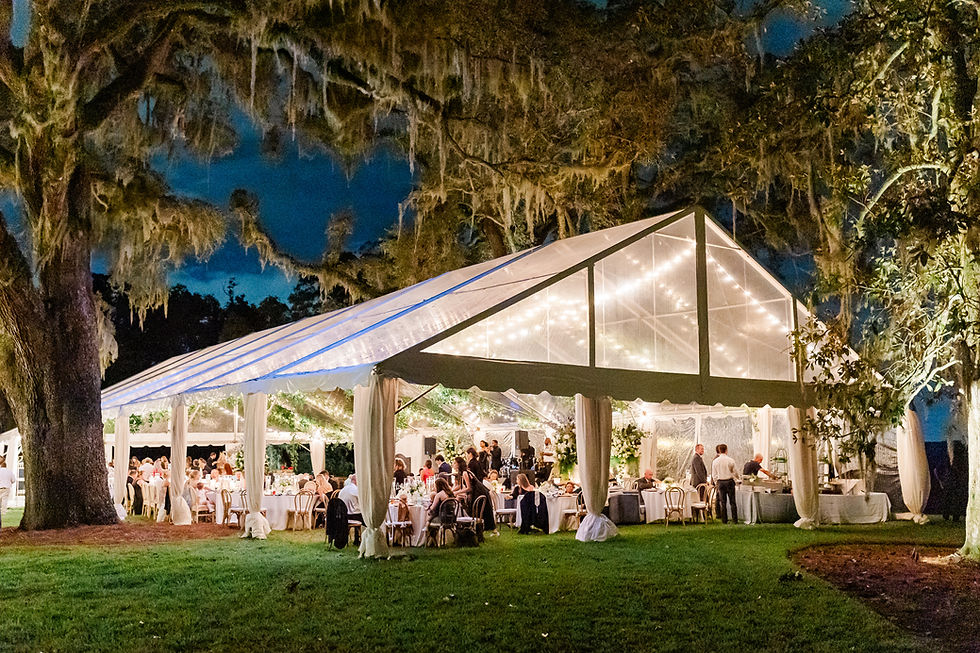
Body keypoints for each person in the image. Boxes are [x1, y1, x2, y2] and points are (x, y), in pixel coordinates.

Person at [711, 444, 738, 524]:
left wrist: (717, 482)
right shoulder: (730, 460)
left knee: (723, 502)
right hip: (729, 481)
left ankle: (724, 520)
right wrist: (738, 478)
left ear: (719, 450)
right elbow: (735, 472)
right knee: (732, 502)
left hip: (720, 482)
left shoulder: (715, 461)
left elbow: (714, 474)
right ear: (726, 450)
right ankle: (734, 519)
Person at [0, 455, 17, 528]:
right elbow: (13, 480)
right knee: (5, 500)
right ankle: (4, 511)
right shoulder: (9, 472)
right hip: (7, 487)